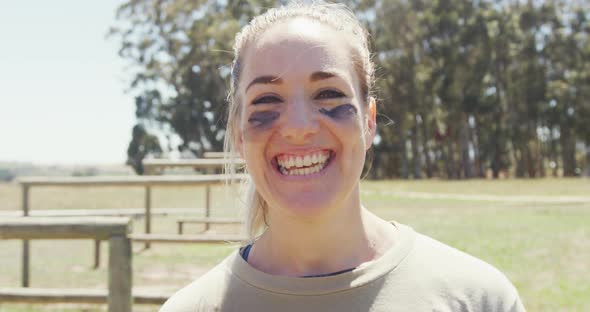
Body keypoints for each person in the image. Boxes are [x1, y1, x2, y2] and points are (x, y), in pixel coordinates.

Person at [160, 2, 525, 311]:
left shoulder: (478, 299)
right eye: (267, 100)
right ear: (239, 135)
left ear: (369, 123)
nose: (299, 127)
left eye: (328, 95)